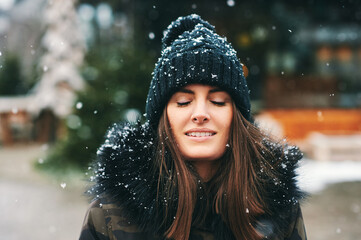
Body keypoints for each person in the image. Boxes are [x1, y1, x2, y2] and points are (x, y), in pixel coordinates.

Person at [79, 14, 307, 240]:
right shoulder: (110, 215)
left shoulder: (278, 211)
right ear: (163, 117)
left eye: (217, 101)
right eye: (183, 102)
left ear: (237, 118)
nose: (200, 114)